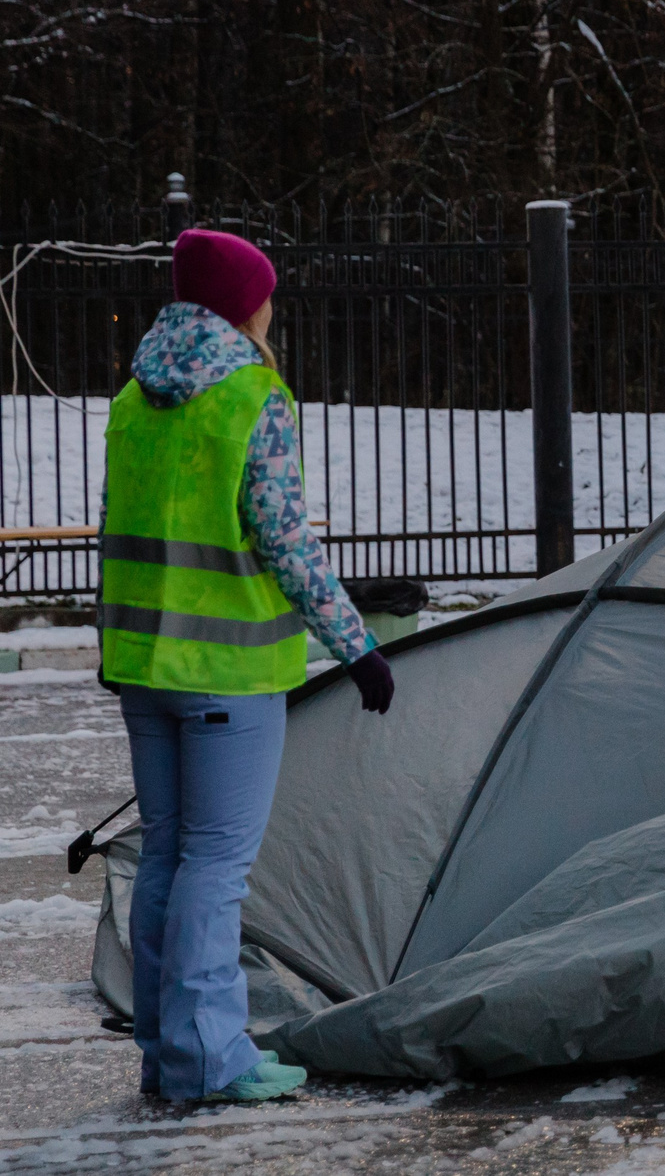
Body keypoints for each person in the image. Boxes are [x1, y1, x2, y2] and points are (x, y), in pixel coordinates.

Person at [100, 228, 396, 1103]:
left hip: (142, 666)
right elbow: (286, 541)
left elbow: (115, 530)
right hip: (229, 673)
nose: (272, 309)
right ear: (243, 305)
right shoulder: (252, 395)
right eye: (265, 295)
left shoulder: (131, 398)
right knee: (216, 864)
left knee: (165, 855)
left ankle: (168, 1048)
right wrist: (358, 645)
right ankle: (210, 1055)